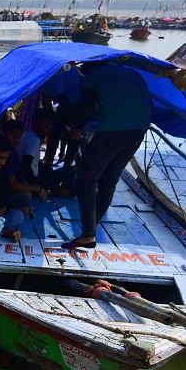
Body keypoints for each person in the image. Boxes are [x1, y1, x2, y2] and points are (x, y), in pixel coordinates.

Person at [63, 62, 152, 249]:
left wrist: (75, 128)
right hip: (138, 131)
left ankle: (88, 233)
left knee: (85, 180)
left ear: (84, 71)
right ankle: (91, 228)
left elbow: (86, 109)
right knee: (109, 181)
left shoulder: (90, 77)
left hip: (112, 131)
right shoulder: (131, 72)